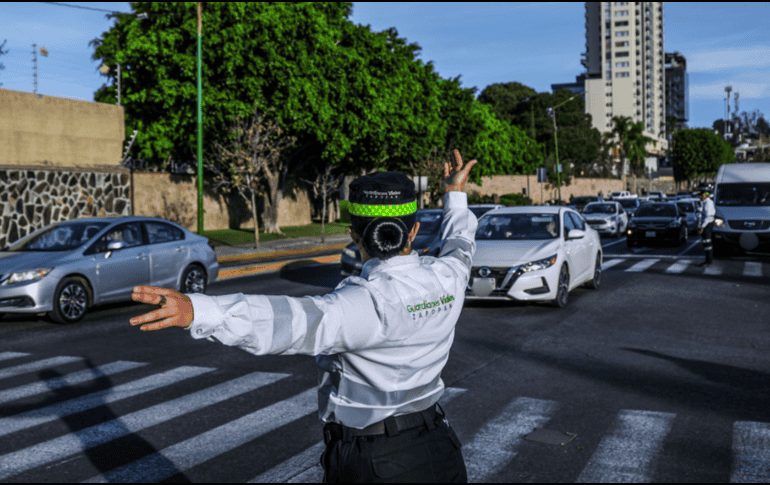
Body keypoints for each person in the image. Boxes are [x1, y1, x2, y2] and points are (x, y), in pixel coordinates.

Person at [129, 149, 478, 483]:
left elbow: (289, 321)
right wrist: (454, 194)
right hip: (439, 447)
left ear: (354, 234)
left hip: (378, 463)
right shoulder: (447, 278)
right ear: (414, 231)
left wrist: (198, 310)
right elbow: (460, 243)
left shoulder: (365, 304)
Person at [698, 190, 716, 266]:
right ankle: (707, 260)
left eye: (700, 195)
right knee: (706, 243)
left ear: (704, 195)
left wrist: (702, 227)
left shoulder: (708, 203)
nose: (699, 197)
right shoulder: (705, 202)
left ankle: (709, 261)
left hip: (707, 225)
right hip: (706, 224)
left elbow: (708, 217)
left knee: (707, 243)